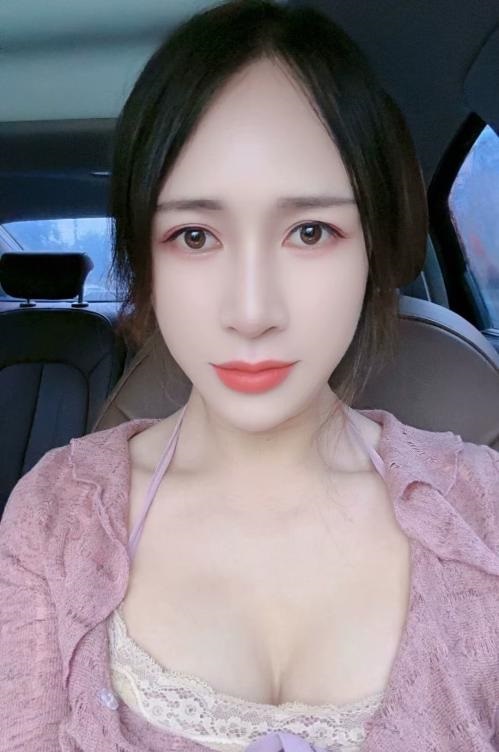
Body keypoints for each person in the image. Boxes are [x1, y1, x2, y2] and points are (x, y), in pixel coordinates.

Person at [0, 1, 498, 751]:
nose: (252, 311)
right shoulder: (53, 518)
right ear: (145, 262)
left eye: (309, 231)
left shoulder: (483, 513)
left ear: (373, 247)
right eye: (195, 235)